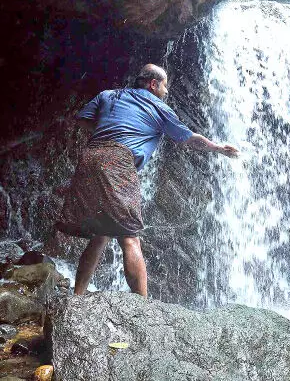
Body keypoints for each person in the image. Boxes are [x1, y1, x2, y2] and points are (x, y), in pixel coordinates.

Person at [58, 64, 239, 297]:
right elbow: (188, 139)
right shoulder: (157, 106)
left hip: (91, 157)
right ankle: (144, 310)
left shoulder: (108, 95)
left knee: (100, 235)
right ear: (153, 84)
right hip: (119, 163)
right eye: (165, 86)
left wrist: (108, 131)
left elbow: (82, 119)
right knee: (130, 238)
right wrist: (218, 148)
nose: (166, 92)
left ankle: (78, 296)